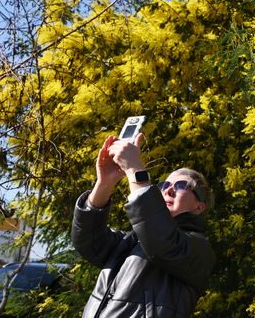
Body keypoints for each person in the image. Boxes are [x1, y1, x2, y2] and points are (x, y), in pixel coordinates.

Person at [71, 133, 216, 318]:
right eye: (164, 185)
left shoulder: (200, 251)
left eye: (181, 186)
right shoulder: (131, 241)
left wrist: (134, 170)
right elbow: (87, 241)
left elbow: (162, 241)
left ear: (199, 207)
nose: (169, 190)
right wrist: (104, 184)